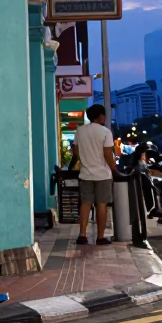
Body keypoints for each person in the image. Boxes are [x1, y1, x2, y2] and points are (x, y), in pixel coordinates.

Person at [71, 104, 116, 245]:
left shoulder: (80, 131)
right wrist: (114, 169)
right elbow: (107, 154)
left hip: (85, 174)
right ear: (101, 116)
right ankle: (100, 237)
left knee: (85, 204)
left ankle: (82, 235)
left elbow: (76, 152)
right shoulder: (106, 132)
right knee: (102, 205)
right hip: (103, 175)